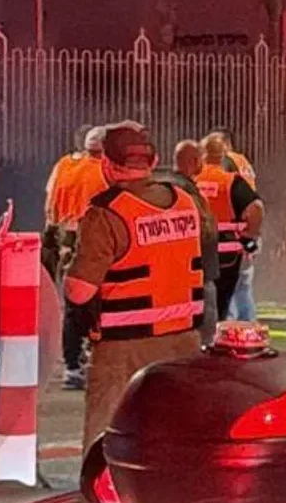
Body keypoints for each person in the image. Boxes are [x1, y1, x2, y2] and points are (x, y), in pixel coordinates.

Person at [65, 122, 206, 449]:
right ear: (153, 161)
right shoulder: (185, 201)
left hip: (125, 347)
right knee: (172, 434)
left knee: (106, 438)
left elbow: (79, 291)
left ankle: (106, 485)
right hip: (183, 341)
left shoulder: (107, 212)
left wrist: (68, 264)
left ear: (106, 163)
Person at [43, 125, 108, 390]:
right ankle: (93, 358)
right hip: (94, 242)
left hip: (64, 242)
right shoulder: (105, 170)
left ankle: (72, 367)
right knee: (99, 304)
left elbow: (49, 202)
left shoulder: (64, 165)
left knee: (72, 307)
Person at [194, 134, 264, 321]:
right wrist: (250, 236)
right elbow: (256, 207)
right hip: (233, 247)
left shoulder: (194, 179)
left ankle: (221, 328)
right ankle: (245, 328)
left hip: (203, 248)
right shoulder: (236, 172)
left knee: (211, 296)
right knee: (241, 288)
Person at [168, 140, 221, 344]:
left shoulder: (169, 185)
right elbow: (202, 228)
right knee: (206, 327)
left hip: (183, 269)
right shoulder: (186, 191)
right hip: (199, 269)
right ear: (194, 161)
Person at [209, 127, 259, 321]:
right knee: (244, 287)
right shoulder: (243, 161)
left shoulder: (227, 162)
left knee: (228, 291)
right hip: (246, 232)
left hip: (231, 235)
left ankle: (228, 330)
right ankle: (248, 327)